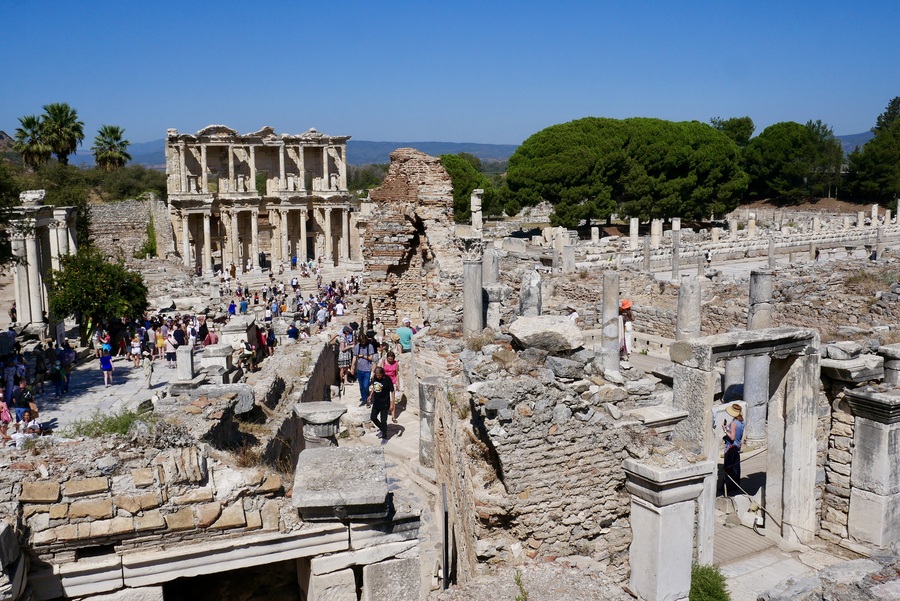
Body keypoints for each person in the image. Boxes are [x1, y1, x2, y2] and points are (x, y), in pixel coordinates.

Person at [367, 365, 395, 443]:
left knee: (383, 420)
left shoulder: (387, 380)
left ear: (383, 374)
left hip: (385, 403)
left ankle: (385, 437)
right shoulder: (375, 378)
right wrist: (370, 395)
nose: (378, 377)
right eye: (377, 375)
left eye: (379, 375)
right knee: (373, 417)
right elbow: (374, 386)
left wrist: (392, 403)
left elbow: (392, 391)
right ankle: (382, 429)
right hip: (376, 402)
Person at [722, 403, 745, 497]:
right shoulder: (742, 421)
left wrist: (725, 430)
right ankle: (736, 486)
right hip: (737, 446)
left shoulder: (733, 424)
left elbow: (732, 437)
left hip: (731, 447)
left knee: (728, 467)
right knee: (736, 467)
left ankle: (728, 487)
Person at [352, 332, 377, 407]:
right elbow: (355, 357)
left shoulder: (370, 346)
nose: (363, 343)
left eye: (364, 341)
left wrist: (362, 356)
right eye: (361, 342)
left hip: (367, 369)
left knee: (366, 386)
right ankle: (364, 399)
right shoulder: (357, 347)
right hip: (359, 369)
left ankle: (368, 398)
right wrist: (352, 367)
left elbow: (371, 358)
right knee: (361, 386)